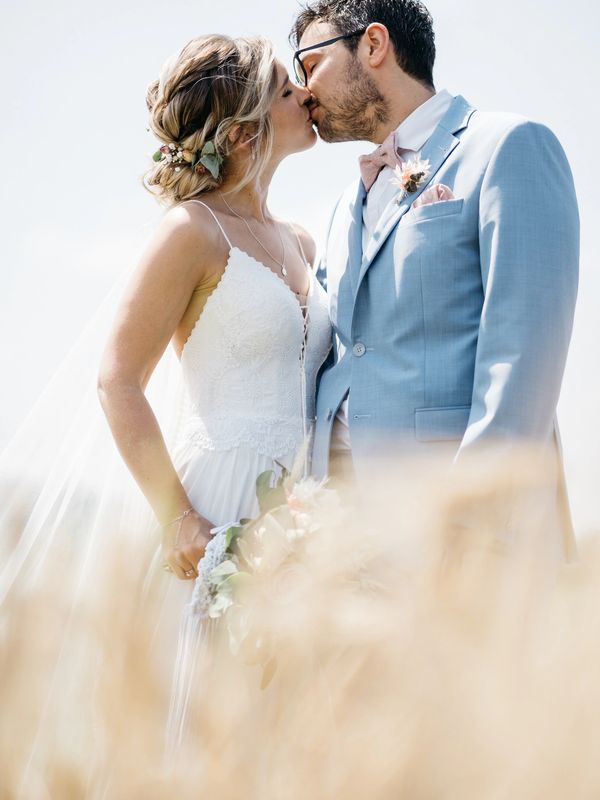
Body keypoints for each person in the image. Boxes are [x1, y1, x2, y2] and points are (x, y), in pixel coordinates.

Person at [290, 0, 579, 554]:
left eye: (311, 64)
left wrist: (472, 520)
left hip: (461, 529)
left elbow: (524, 355)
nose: (303, 91)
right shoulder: (344, 205)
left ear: (373, 44)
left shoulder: (508, 146)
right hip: (342, 532)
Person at [98, 33, 331, 582]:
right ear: (242, 133)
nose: (306, 94)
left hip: (301, 506)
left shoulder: (302, 242)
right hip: (219, 496)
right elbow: (118, 380)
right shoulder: (192, 230)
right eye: (285, 90)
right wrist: (176, 516)